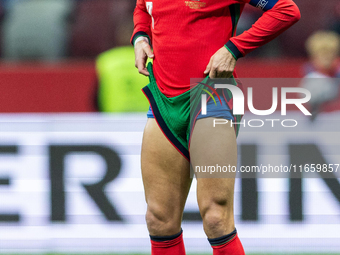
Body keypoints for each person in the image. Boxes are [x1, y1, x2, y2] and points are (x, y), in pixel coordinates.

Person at [131, 0, 300, 254]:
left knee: (215, 217)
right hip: (164, 99)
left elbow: (286, 10)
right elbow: (143, 6)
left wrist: (234, 48)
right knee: (159, 219)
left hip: (212, 93)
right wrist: (140, 36)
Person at [301, 30, 340, 120]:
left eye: (330, 54)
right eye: (322, 54)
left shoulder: (337, 71)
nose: (326, 58)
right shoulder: (309, 73)